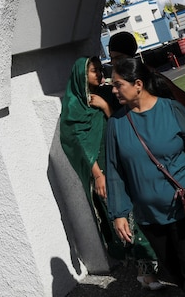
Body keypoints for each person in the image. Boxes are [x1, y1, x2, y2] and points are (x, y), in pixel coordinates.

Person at [106, 57, 185, 297]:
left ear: (138, 84)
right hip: (149, 215)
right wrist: (119, 213)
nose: (113, 90)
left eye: (118, 84)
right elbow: (114, 170)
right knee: (175, 272)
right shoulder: (116, 124)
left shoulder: (172, 110)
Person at [59, 56, 162, 291]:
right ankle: (145, 273)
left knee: (142, 214)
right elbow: (79, 146)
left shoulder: (107, 95)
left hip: (122, 163)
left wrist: (106, 108)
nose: (99, 74)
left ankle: (148, 269)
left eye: (98, 69)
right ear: (81, 76)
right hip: (103, 172)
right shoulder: (73, 107)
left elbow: (120, 123)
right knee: (126, 221)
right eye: (93, 71)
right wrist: (97, 175)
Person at [108, 31, 185, 162]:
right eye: (112, 58)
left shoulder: (149, 77)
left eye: (118, 58)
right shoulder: (141, 76)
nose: (114, 63)